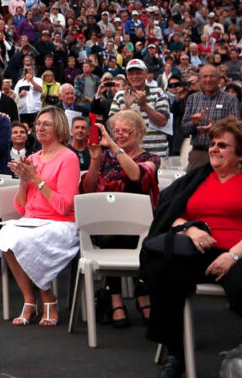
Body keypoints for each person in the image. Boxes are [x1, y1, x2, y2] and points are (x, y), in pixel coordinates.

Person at [143, 118, 242, 378]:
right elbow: (172, 215)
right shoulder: (197, 178)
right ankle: (176, 351)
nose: (213, 149)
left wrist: (232, 255)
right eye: (212, 144)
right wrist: (189, 229)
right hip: (198, 249)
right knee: (164, 272)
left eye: (222, 145)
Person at [0, 107, 81, 326]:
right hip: (33, 220)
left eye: (46, 124)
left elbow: (63, 206)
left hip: (60, 223)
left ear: (58, 127)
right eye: (38, 124)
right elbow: (21, 208)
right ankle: (29, 299)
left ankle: (47, 296)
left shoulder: (69, 158)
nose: (40, 128)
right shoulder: (32, 158)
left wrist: (36, 178)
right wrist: (24, 181)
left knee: (24, 240)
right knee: (6, 236)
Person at [80, 109, 160, 327]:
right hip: (108, 227)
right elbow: (87, 190)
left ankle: (141, 293)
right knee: (110, 232)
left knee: (139, 238)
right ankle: (116, 298)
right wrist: (96, 159)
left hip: (141, 226)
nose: (121, 135)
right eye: (117, 131)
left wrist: (114, 147)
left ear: (140, 132)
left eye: (127, 131)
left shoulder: (151, 158)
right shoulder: (106, 157)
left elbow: (136, 175)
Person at [179, 64, 241, 168]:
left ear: (219, 79)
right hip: (198, 153)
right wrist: (194, 123)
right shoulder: (192, 99)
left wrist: (215, 128)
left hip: (222, 154)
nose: (208, 79)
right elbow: (184, 129)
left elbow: (236, 129)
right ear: (199, 79)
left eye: (212, 76)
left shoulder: (230, 100)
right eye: (205, 76)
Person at [108, 58, 171, 159]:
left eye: (138, 73)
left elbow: (163, 122)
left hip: (156, 154)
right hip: (128, 156)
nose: (135, 76)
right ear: (127, 76)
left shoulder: (158, 92)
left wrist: (144, 105)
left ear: (145, 74)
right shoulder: (120, 95)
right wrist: (126, 106)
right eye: (131, 74)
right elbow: (112, 126)